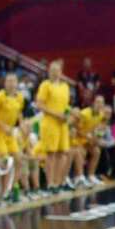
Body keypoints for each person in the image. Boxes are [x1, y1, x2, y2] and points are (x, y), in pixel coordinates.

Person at [35, 60, 72, 192]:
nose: (55, 73)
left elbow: (65, 105)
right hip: (50, 123)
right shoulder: (45, 85)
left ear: (61, 72)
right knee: (51, 154)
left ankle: (58, 182)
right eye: (52, 70)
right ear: (49, 72)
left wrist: (68, 114)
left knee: (62, 153)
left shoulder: (65, 86)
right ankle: (50, 183)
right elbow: (39, 104)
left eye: (57, 70)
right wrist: (56, 114)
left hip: (62, 124)